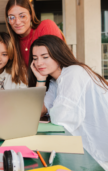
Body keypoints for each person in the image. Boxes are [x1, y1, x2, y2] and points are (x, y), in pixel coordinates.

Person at [28, 35, 108, 170]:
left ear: (58, 55)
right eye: (35, 58)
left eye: (45, 57)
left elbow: (61, 119)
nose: (39, 63)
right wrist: (40, 80)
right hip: (90, 148)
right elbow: (37, 110)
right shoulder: (55, 82)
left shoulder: (73, 73)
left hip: (101, 149)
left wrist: (52, 111)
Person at [5, 0, 64, 68]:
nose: (17, 22)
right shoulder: (11, 43)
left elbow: (57, 62)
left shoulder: (45, 26)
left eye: (22, 16)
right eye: (12, 17)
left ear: (30, 15)